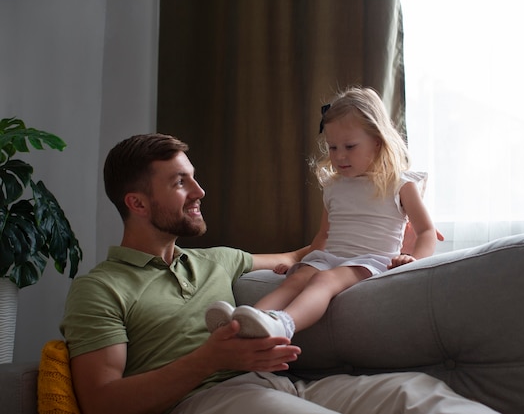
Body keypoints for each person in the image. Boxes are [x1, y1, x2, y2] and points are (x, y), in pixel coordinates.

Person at [60, 132, 499, 414]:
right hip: (205, 401)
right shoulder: (100, 289)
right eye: (180, 183)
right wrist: (211, 359)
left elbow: (308, 252)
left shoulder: (218, 259)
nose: (200, 191)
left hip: (284, 385)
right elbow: (100, 401)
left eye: (193, 178)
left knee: (419, 395)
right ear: (136, 203)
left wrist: (400, 229)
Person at [206, 87, 438, 340]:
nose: (339, 156)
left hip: (370, 262)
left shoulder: (401, 183)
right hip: (331, 258)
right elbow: (324, 235)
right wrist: (301, 261)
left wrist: (414, 260)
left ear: (377, 141)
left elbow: (426, 230)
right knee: (297, 279)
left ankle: (283, 323)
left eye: (350, 146)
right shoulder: (334, 186)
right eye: (332, 147)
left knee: (324, 281)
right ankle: (243, 321)